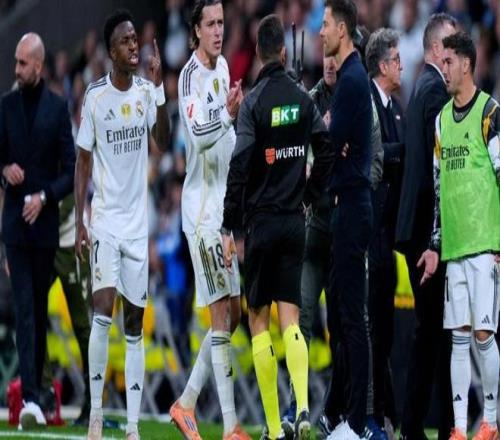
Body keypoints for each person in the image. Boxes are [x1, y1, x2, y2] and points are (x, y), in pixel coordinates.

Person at [221, 14, 333, 440]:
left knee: (258, 322)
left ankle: (272, 427)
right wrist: (310, 196)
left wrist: (229, 225)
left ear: (258, 53)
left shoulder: (252, 104)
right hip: (294, 223)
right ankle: (302, 409)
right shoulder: (303, 99)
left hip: (261, 226)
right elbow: (324, 152)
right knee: (292, 320)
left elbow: (239, 166)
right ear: (284, 52)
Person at [74, 9, 169, 440]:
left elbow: (162, 141)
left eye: (136, 39)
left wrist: (161, 89)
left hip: (137, 225)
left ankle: (132, 427)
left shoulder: (147, 92)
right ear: (112, 51)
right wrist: (81, 220)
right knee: (102, 310)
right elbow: (83, 162)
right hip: (106, 221)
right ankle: (96, 415)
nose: (135, 46)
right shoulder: (95, 97)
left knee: (134, 325)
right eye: (127, 41)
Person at [167, 2, 251, 440]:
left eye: (222, 23)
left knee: (233, 313)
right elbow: (199, 136)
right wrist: (228, 115)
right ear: (196, 30)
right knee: (221, 314)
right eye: (211, 24)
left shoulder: (222, 70)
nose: (219, 31)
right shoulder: (189, 77)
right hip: (201, 213)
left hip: (223, 211)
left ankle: (185, 402)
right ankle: (231, 426)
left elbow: (226, 137)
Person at [419, 31, 500, 440]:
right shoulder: (440, 122)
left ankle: (491, 421)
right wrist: (436, 244)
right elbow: (438, 190)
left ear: (466, 64)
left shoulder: (490, 113)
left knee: (484, 334)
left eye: (449, 61)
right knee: (459, 338)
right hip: (454, 246)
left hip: (485, 244)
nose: (443, 68)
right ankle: (459, 427)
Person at [0, 32, 75, 430]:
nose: (16, 69)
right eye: (16, 61)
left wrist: (44, 197)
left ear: (39, 65)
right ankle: (30, 397)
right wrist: (4, 170)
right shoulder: (6, 105)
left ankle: (38, 393)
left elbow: (70, 171)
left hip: (44, 228)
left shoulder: (57, 109)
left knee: (38, 312)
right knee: (25, 311)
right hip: (15, 229)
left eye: (23, 63)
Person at [395, 13, 457, 440]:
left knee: (433, 329)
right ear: (436, 48)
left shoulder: (422, 86)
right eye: (452, 44)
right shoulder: (435, 91)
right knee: (433, 329)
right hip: (426, 232)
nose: (459, 54)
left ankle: (424, 424)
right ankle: (423, 424)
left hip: (415, 227)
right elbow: (440, 167)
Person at [319, 1, 373, 438]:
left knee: (352, 319)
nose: (320, 32)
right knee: (340, 317)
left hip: (352, 206)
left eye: (324, 25)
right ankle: (339, 412)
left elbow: (327, 145)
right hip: (346, 206)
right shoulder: (351, 78)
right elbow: (333, 145)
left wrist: (326, 132)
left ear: (342, 29)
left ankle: (355, 422)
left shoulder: (352, 81)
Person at [365, 27, 405, 439]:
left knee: (385, 331)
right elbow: (374, 157)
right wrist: (406, 152)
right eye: (396, 60)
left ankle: (384, 413)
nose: (401, 66)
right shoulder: (370, 105)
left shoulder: (395, 107)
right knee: (373, 329)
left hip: (388, 236)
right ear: (382, 65)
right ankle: (373, 414)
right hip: (371, 233)